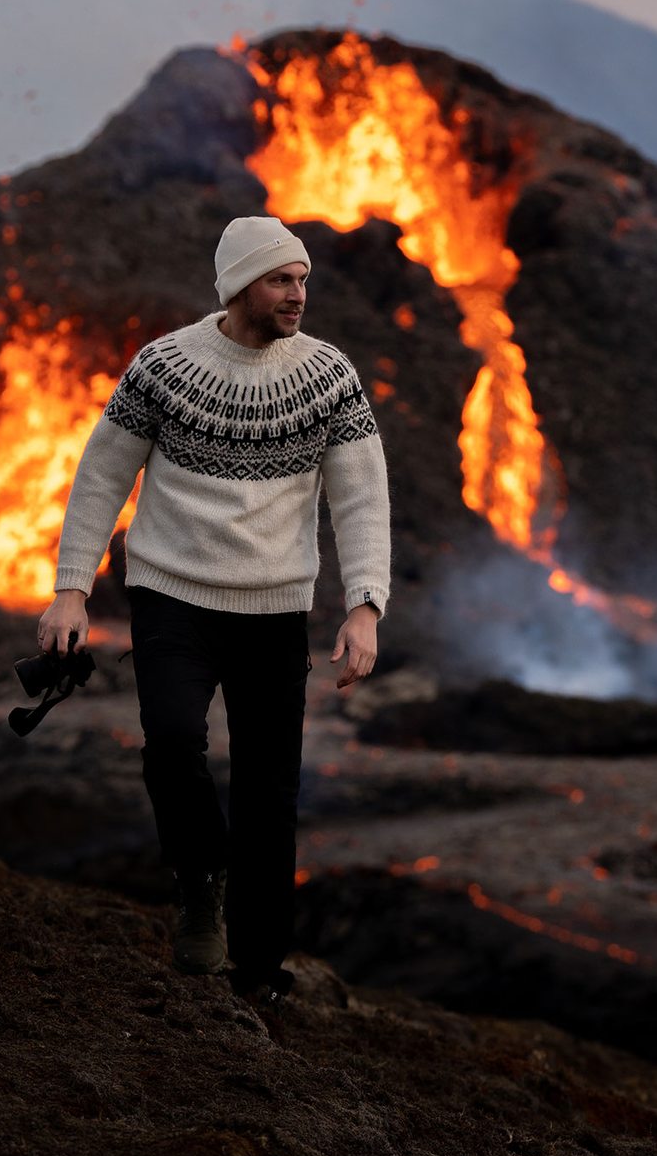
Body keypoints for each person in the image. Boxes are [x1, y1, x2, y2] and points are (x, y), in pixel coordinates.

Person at [37, 215, 392, 1004]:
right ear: (239, 287)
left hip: (274, 610)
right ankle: (200, 883)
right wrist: (70, 588)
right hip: (171, 598)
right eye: (280, 280)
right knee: (170, 745)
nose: (298, 294)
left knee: (270, 793)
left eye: (302, 279)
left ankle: (259, 974)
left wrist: (365, 605)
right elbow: (102, 477)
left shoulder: (329, 377)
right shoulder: (163, 367)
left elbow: (362, 498)